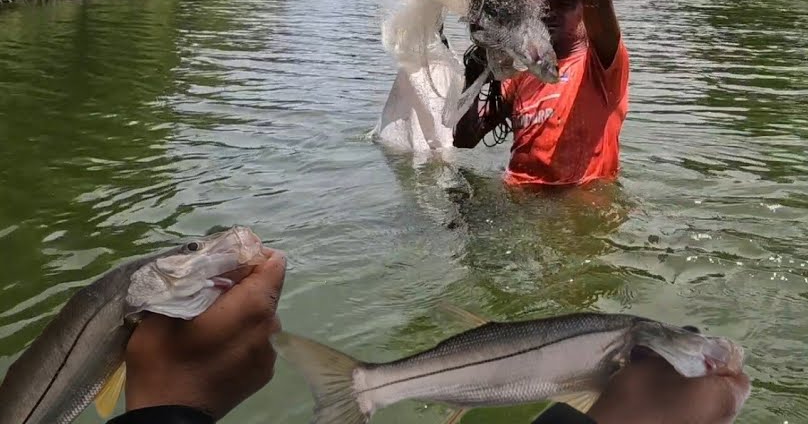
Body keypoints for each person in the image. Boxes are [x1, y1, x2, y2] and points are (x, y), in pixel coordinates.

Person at [103, 246, 751, 424]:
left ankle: (368, 386)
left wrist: (166, 412)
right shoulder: (637, 340)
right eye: (688, 335)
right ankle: (368, 387)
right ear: (658, 342)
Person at [452, 0, 630, 188]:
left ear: (582, 10)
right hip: (518, 202)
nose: (550, 9)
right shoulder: (522, 72)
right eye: (544, 0)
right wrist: (473, 77)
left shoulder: (601, 65)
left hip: (576, 206)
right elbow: (465, 140)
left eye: (564, 1)